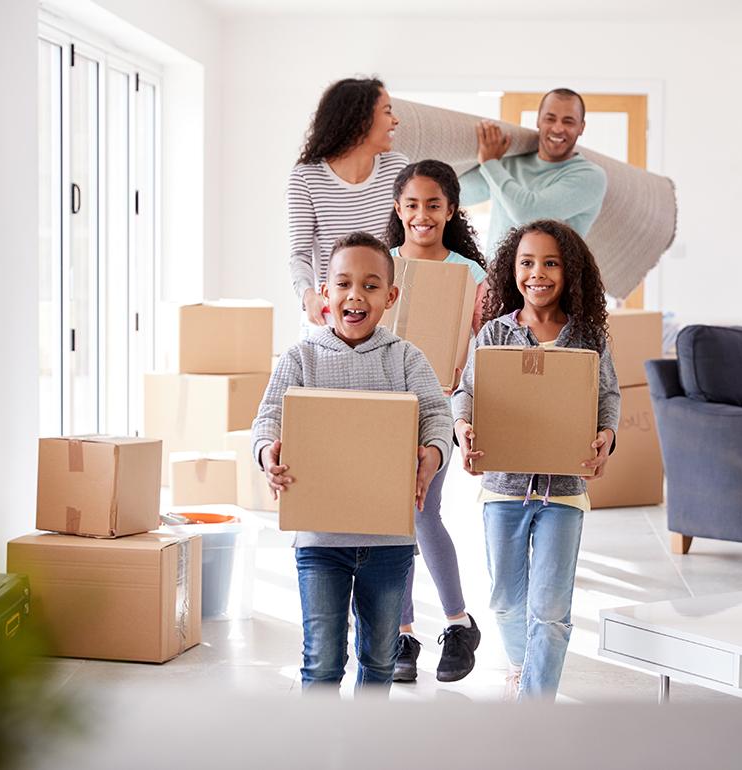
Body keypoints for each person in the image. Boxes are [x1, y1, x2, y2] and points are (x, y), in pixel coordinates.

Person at [252, 232, 452, 694]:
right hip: (320, 541)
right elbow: (266, 420)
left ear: (391, 296)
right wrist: (268, 454)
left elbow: (437, 416)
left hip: (388, 543)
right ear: (325, 292)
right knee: (321, 660)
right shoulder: (301, 358)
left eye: (370, 285)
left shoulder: (405, 358)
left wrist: (434, 453)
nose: (355, 295)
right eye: (343, 284)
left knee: (379, 661)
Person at [450, 219, 620, 702]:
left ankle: (534, 705)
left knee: (550, 609)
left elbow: (607, 396)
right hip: (503, 488)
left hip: (564, 491)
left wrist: (606, 434)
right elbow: (468, 393)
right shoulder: (494, 334)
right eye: (527, 262)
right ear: (513, 270)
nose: (537, 273)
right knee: (506, 601)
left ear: (570, 273)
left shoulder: (587, 337)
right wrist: (463, 429)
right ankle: (523, 668)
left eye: (551, 263)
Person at [382, 159, 487, 683]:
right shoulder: (380, 265)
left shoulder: (470, 275)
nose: (422, 215)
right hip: (380, 408)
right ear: (398, 209)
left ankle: (457, 623)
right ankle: (402, 636)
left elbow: (486, 351)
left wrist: (470, 418)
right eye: (412, 205)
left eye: (433, 205)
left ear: (450, 211)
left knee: (422, 511)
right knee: (392, 518)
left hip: (439, 407)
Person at [288, 78, 408, 336]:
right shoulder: (306, 177)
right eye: (387, 111)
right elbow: (299, 254)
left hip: (383, 316)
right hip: (330, 317)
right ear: (360, 119)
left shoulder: (397, 168)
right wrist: (309, 296)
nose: (395, 120)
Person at [459, 88, 607, 257]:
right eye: (550, 119)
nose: (558, 128)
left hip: (548, 281)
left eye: (568, 121)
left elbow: (529, 215)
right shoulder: (508, 162)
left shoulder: (590, 177)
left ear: (581, 127)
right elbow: (460, 194)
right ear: (538, 121)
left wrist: (489, 162)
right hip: (495, 280)